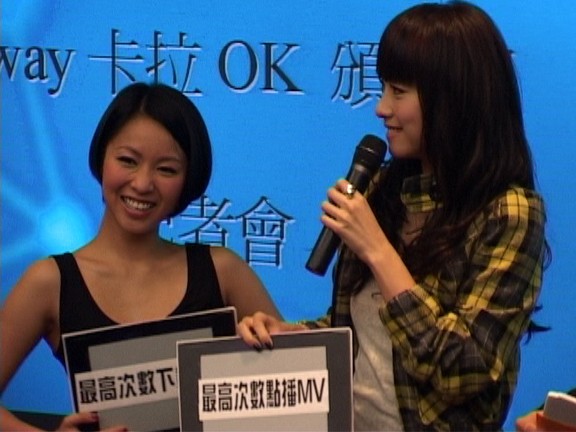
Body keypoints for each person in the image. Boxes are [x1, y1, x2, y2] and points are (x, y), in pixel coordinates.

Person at [238, 1, 549, 430]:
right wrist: (299, 336)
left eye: (398, 92)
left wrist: (378, 250)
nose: (381, 108)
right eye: (383, 88)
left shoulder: (509, 212)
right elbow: (368, 331)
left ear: (453, 99)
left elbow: (464, 369)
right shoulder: (384, 187)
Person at [0, 82, 281, 431]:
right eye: (128, 161)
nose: (143, 184)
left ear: (188, 180)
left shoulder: (223, 271)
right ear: (102, 159)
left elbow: (306, 384)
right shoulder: (50, 282)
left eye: (167, 169)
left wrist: (269, 345)